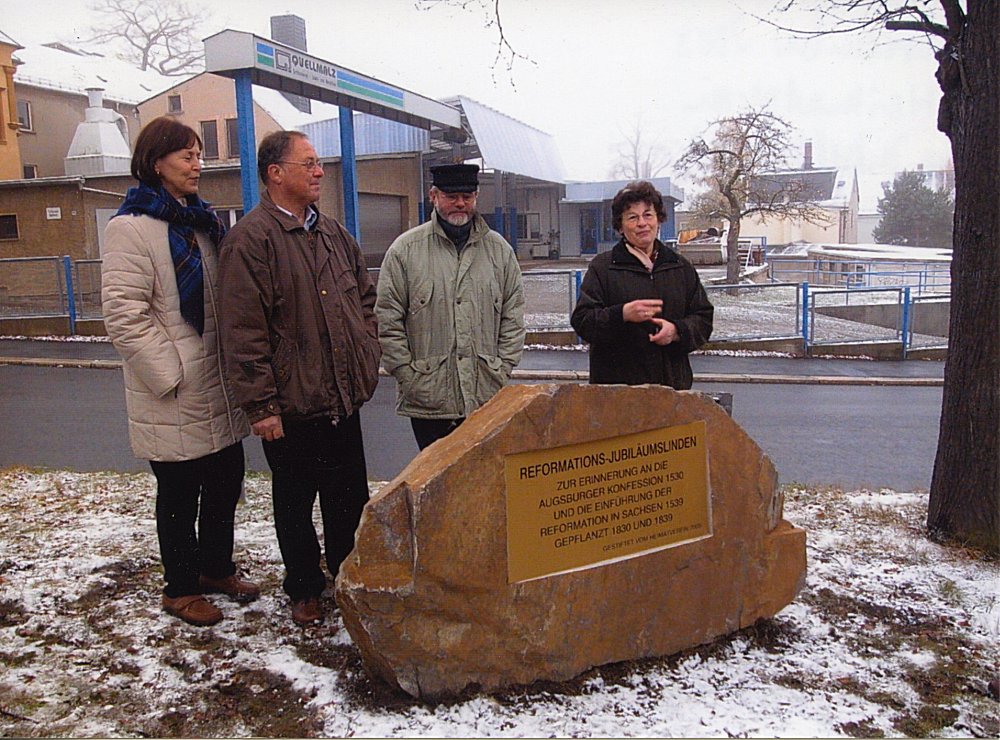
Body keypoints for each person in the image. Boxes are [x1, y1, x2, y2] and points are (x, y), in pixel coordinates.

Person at [217, 131, 380, 627]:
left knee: (348, 499)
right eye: (307, 163)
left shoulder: (333, 234)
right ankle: (304, 587)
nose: (318, 171)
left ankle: (348, 579)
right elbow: (242, 331)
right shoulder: (250, 240)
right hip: (290, 406)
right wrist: (261, 406)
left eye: (318, 163)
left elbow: (365, 301)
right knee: (294, 503)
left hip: (341, 398)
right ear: (275, 173)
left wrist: (366, 351)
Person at [101, 116, 258, 628]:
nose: (197, 165)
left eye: (198, 155)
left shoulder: (201, 223)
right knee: (179, 495)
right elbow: (124, 315)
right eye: (187, 156)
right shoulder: (130, 228)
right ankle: (181, 588)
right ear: (155, 163)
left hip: (217, 383)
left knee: (225, 482)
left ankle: (215, 569)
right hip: (173, 390)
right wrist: (170, 374)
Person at [375, 163, 525, 450]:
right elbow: (387, 320)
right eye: (451, 196)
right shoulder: (405, 251)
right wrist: (409, 376)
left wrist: (502, 368)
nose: (460, 204)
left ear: (476, 197)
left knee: (485, 474)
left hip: (484, 397)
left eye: (467, 196)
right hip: (429, 401)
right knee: (435, 477)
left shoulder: (500, 252)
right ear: (433, 196)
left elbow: (513, 316)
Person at [570, 180, 713, 389]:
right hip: (617, 393)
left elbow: (703, 319)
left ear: (658, 219)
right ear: (620, 226)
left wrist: (677, 331)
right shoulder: (603, 268)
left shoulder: (680, 266)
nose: (642, 223)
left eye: (648, 215)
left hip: (671, 391)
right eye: (632, 217)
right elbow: (583, 321)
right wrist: (621, 314)